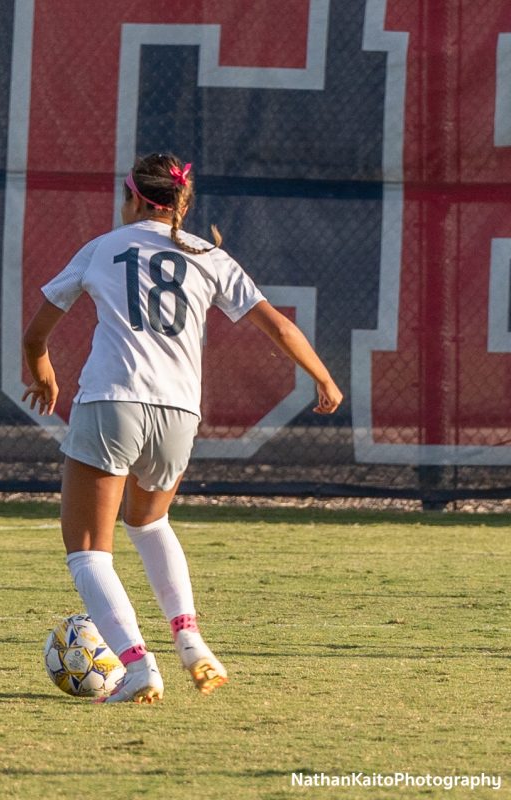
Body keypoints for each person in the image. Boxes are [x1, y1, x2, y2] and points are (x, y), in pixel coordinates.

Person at [22, 153, 342, 703]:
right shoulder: (208, 255)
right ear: (180, 204)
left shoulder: (103, 248)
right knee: (148, 523)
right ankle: (189, 637)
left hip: (112, 402)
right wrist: (324, 379)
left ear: (136, 201)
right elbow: (279, 325)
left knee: (88, 551)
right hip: (178, 414)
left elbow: (36, 333)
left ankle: (138, 665)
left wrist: (44, 374)